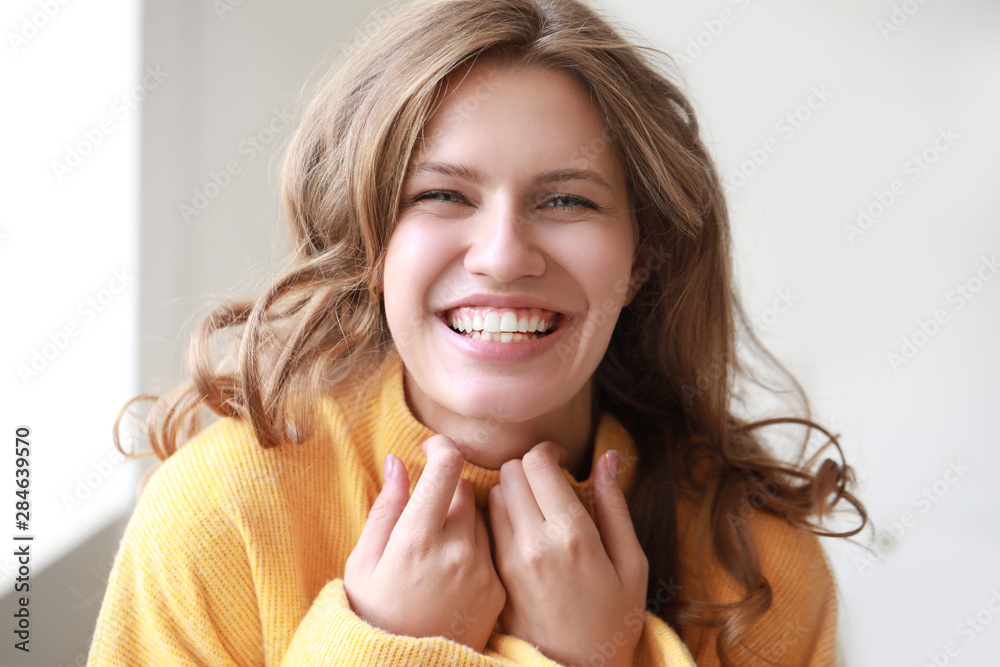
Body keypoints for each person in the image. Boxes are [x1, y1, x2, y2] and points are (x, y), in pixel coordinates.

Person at [89, 0, 866, 665]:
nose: (501, 256)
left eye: (567, 201)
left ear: (641, 259)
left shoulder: (759, 565)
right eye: (443, 194)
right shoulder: (217, 518)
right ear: (372, 244)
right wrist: (387, 647)